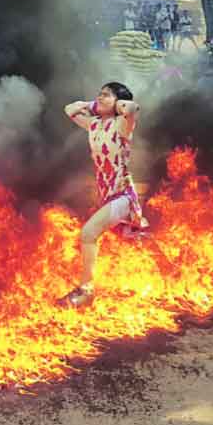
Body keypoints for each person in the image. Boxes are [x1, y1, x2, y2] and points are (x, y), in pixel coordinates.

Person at [60, 82, 148, 307]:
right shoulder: (94, 124)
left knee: (88, 233)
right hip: (106, 195)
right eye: (99, 93)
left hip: (122, 195)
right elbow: (69, 109)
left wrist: (115, 104)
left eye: (106, 95)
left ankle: (86, 290)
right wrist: (96, 105)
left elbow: (133, 108)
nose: (100, 97)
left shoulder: (122, 125)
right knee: (104, 238)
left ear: (118, 101)